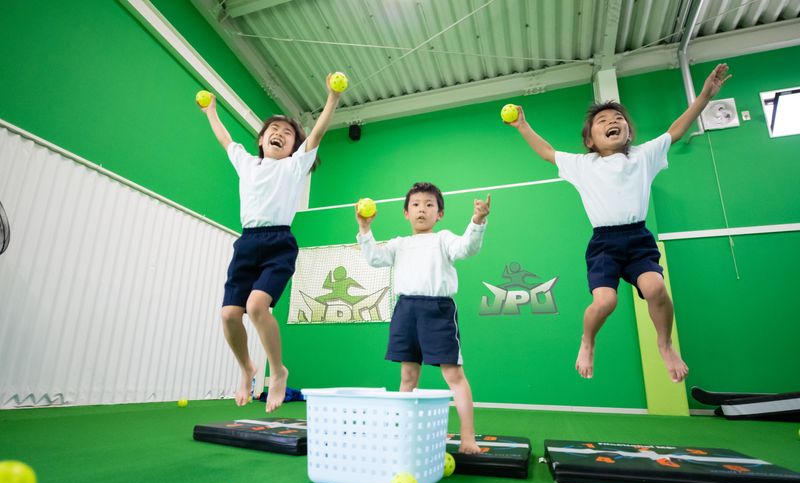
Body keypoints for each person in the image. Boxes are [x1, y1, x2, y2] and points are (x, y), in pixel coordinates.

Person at [507, 64, 731, 383]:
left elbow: (676, 130)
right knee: (605, 301)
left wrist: (705, 96)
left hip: (638, 238)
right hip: (604, 243)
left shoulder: (642, 156)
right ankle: (588, 341)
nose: (612, 122)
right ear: (589, 140)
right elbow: (547, 152)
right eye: (602, 121)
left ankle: (665, 344)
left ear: (629, 131)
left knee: (656, 288)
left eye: (618, 119)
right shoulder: (583, 165)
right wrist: (522, 126)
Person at [200, 76, 341, 411]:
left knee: (256, 307)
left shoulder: (294, 166)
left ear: (293, 147)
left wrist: (333, 98)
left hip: (279, 242)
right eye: (273, 130)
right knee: (229, 314)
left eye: (288, 133)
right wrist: (210, 111)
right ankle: (247, 368)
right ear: (262, 140)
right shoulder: (246, 163)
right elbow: (224, 138)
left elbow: (317, 134)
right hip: (247, 242)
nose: (279, 133)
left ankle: (277, 372)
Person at [356, 182, 490, 454]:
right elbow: (375, 259)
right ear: (406, 213)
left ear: (439, 214)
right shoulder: (399, 244)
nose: (422, 209)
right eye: (415, 205)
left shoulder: (444, 239)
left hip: (438, 311)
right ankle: (403, 432)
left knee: (453, 374)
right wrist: (365, 228)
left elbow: (467, 248)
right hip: (406, 310)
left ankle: (467, 437)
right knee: (407, 375)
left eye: (429, 205)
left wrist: (477, 220)